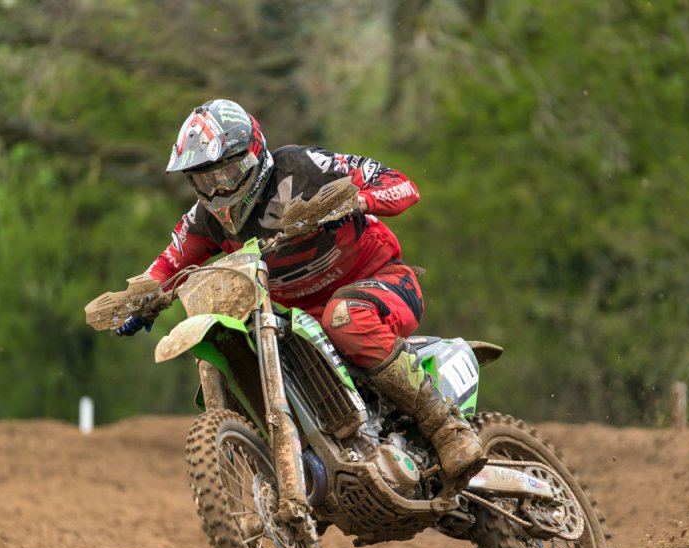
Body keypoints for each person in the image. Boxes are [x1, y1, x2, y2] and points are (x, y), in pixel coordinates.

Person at [117, 99, 485, 493]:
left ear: (253, 154)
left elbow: (400, 184)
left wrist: (357, 201)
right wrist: (137, 301)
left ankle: (446, 428)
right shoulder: (205, 219)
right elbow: (167, 265)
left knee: (345, 317)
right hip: (304, 320)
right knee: (250, 347)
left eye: (227, 173)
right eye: (205, 180)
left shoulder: (303, 168)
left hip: (382, 283)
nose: (219, 189)